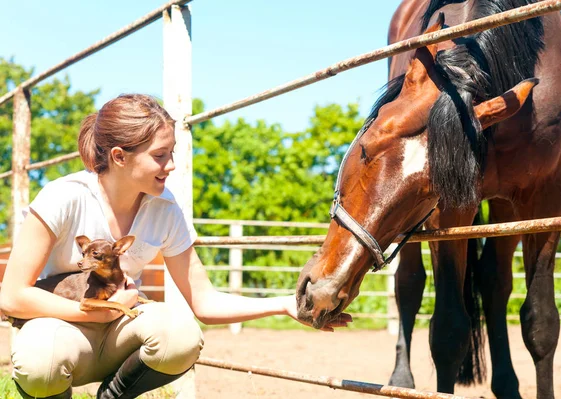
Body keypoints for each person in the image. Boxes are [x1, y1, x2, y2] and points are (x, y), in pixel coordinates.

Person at [0, 94, 352, 399]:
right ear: (120, 157)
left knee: (182, 336)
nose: (171, 165)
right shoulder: (65, 197)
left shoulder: (165, 208)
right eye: (159, 156)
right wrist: (102, 311)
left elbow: (204, 300)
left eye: (172, 153)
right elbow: (12, 296)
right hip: (60, 328)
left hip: (118, 330)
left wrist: (285, 305)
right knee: (40, 363)